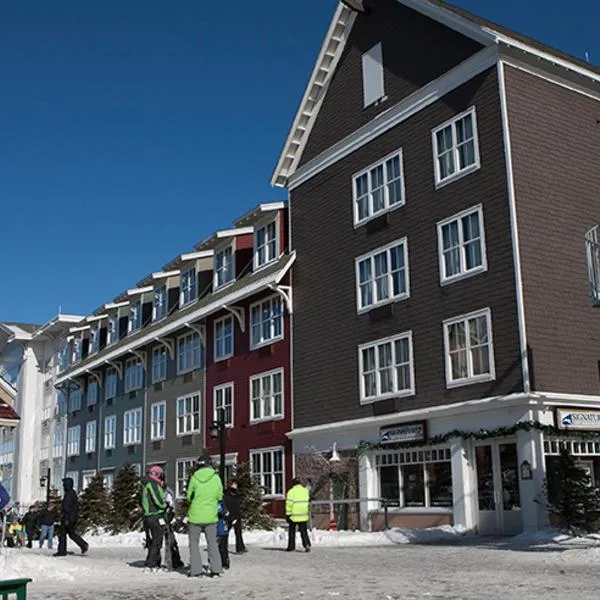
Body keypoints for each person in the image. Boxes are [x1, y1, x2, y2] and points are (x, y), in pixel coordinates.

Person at [186, 457, 223, 578]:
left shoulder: (194, 477)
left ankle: (196, 570)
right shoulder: (216, 478)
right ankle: (216, 569)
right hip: (211, 516)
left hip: (195, 516)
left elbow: (189, 495)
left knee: (194, 543)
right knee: (212, 543)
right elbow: (219, 496)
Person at [140, 465, 167, 573]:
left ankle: (155, 562)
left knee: (153, 540)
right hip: (155, 514)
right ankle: (151, 564)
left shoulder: (146, 484)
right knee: (157, 540)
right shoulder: (152, 484)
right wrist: (164, 505)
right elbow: (157, 499)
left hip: (148, 515)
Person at [55, 477, 88, 557]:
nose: (63, 486)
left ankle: (62, 551)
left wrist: (65, 517)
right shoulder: (72, 493)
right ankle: (83, 545)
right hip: (72, 518)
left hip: (67, 518)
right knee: (71, 533)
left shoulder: (69, 494)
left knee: (62, 534)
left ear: (67, 485)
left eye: (64, 484)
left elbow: (67, 507)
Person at [285, 477, 311, 553]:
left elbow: (289, 504)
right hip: (303, 515)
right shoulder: (305, 491)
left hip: (294, 515)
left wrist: (288, 514)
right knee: (304, 531)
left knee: (292, 531)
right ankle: (307, 544)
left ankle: (291, 546)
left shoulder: (291, 492)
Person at [223, 479, 247, 554]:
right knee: (225, 533)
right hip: (229, 516)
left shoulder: (236, 494)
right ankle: (222, 547)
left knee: (238, 532)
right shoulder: (226, 494)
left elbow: (238, 504)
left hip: (237, 515)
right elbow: (225, 504)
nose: (235, 486)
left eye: (236, 484)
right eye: (234, 484)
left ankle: (240, 548)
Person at [216, 500, 230, 570]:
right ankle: (220, 561)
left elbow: (224, 512)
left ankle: (224, 561)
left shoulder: (220, 502)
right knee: (218, 546)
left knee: (223, 546)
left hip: (221, 526)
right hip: (218, 526)